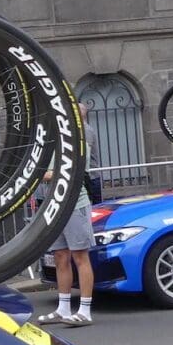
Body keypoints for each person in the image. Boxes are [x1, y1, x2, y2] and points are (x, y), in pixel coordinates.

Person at [37, 106, 97, 327]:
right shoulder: (54, 136)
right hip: (54, 204)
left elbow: (76, 170)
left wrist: (41, 175)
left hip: (74, 203)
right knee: (60, 256)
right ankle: (63, 308)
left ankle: (85, 310)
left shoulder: (82, 136)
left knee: (80, 256)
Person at [82, 103, 103, 205]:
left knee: (96, 206)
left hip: (91, 176)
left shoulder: (86, 130)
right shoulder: (82, 130)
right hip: (88, 175)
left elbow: (86, 151)